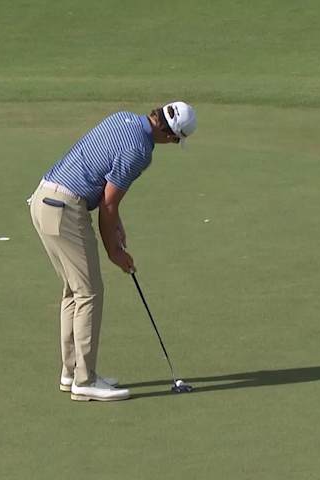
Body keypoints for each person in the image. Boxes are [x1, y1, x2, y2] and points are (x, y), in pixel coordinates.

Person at [29, 101, 197, 402]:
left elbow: (107, 191)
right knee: (90, 292)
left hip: (44, 200)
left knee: (75, 291)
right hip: (65, 209)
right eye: (175, 140)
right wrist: (115, 252)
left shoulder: (124, 118)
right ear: (169, 134)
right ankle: (85, 380)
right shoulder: (141, 150)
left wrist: (116, 226)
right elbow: (107, 204)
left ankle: (72, 373)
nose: (171, 144)